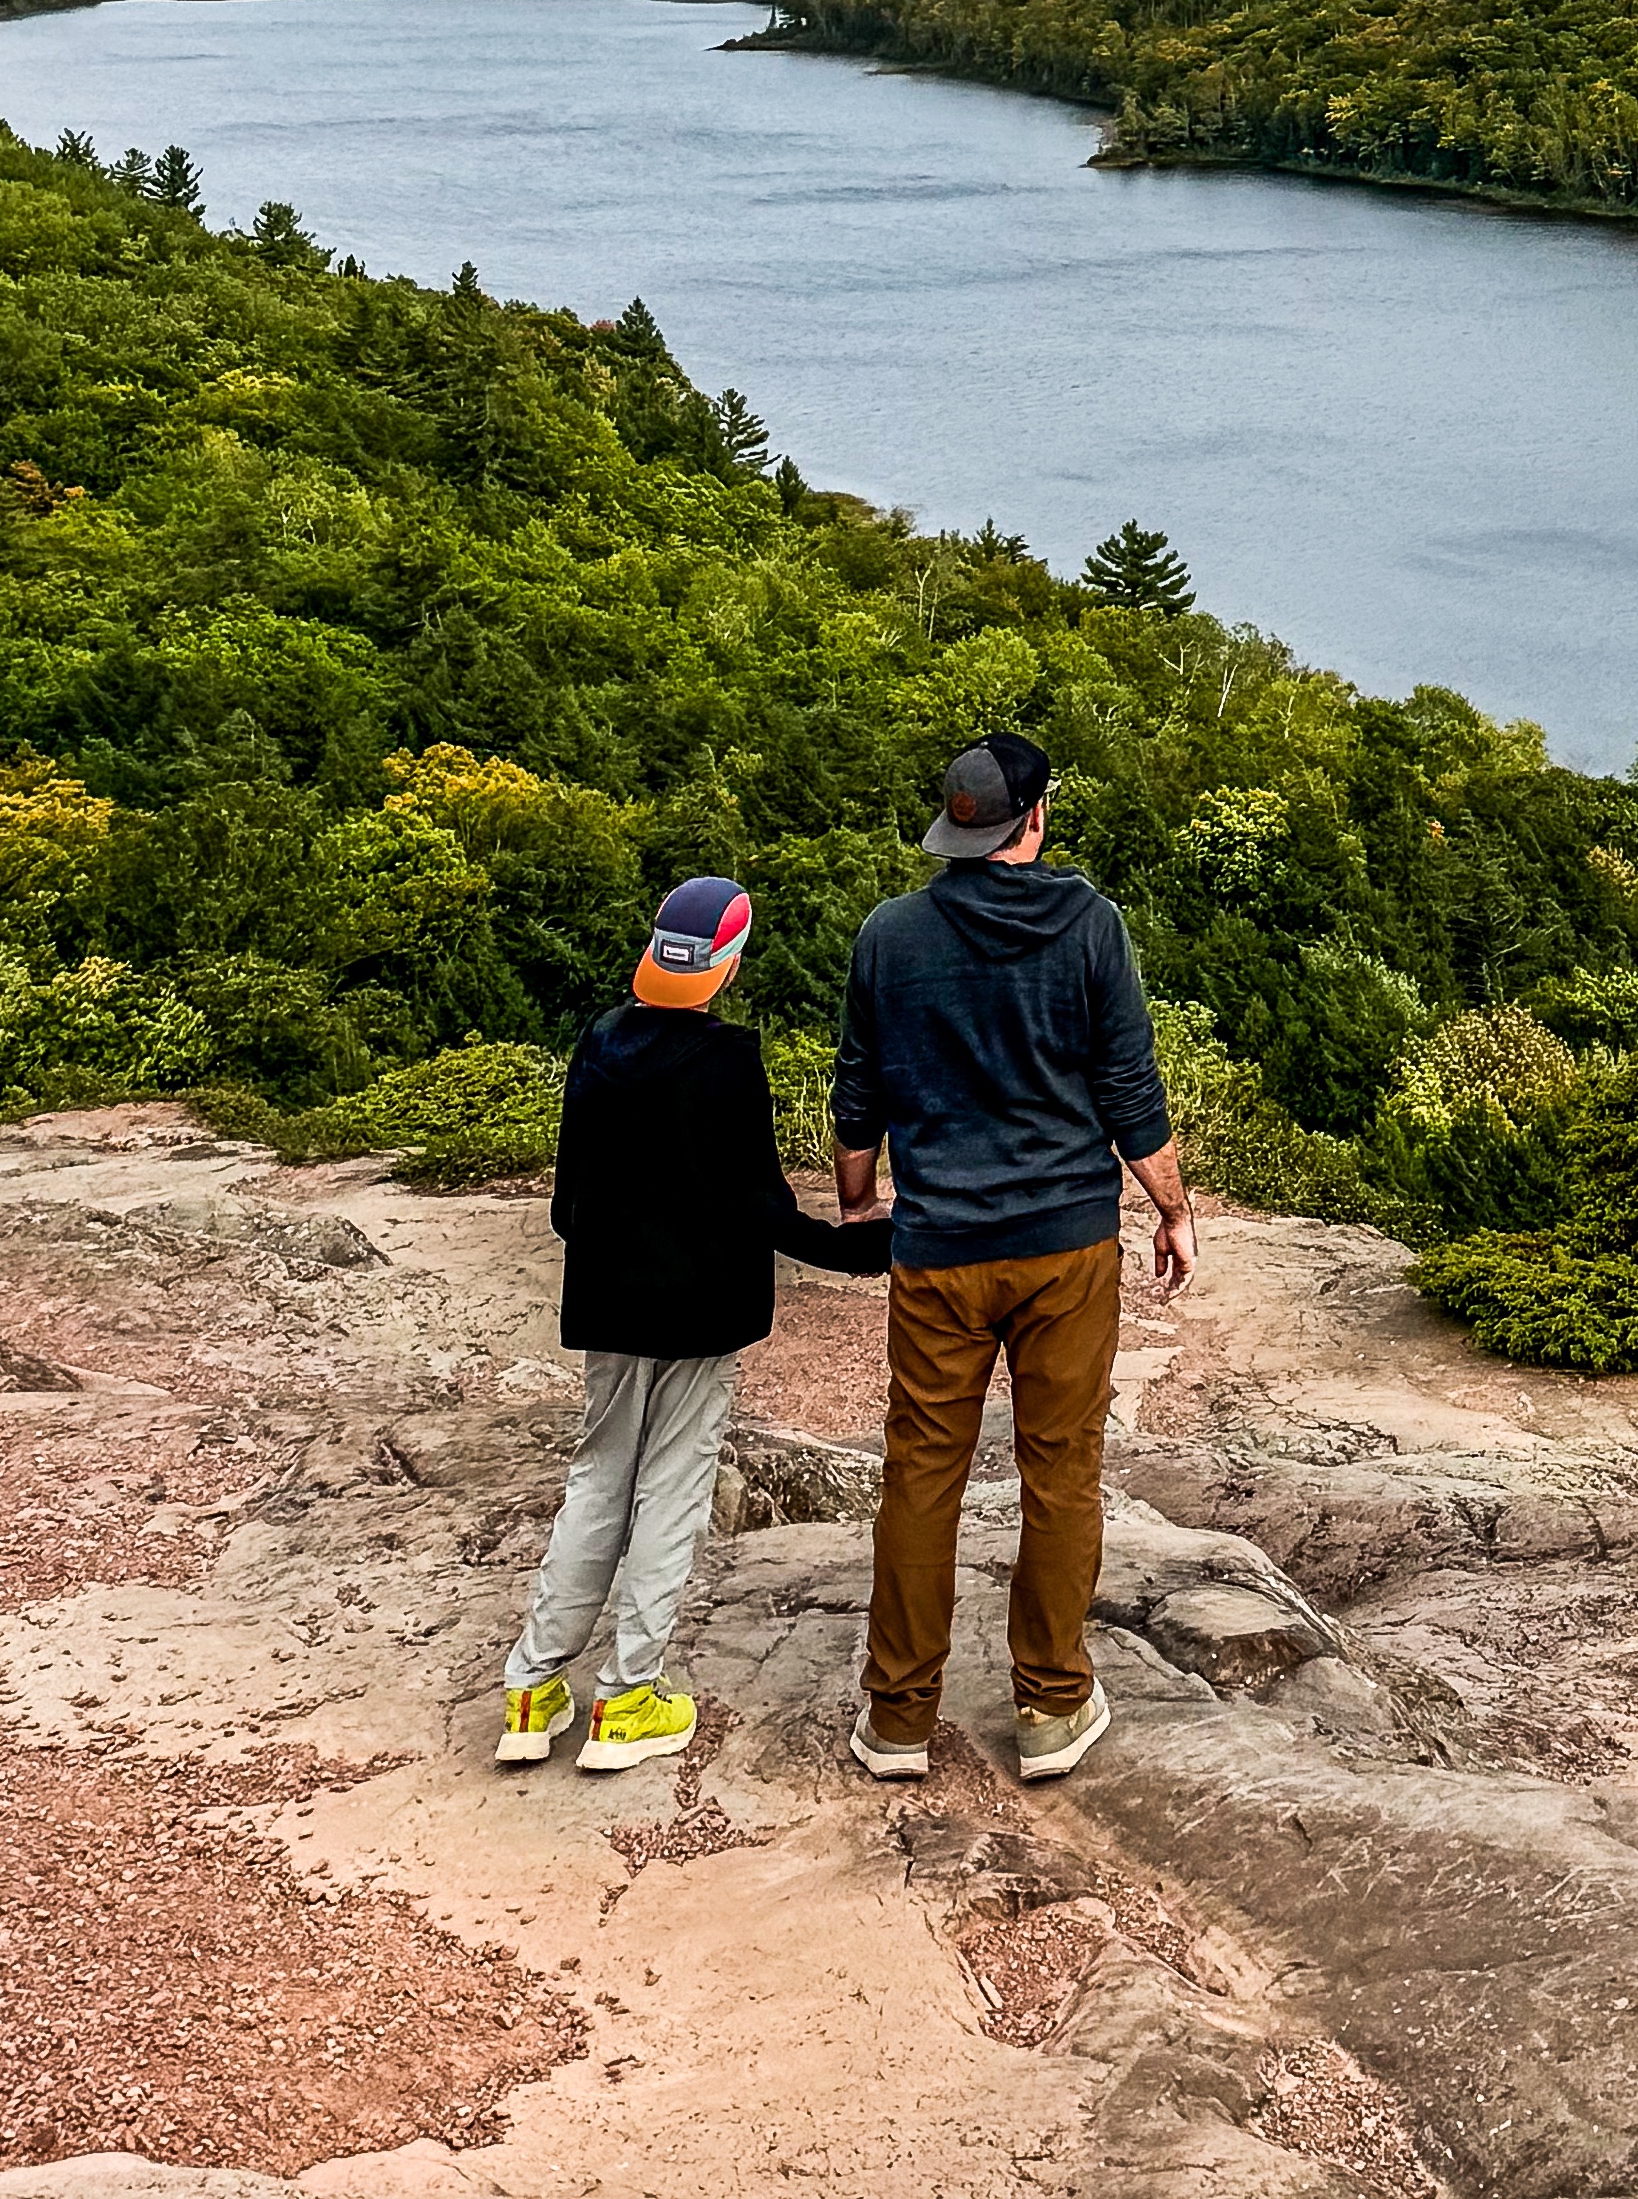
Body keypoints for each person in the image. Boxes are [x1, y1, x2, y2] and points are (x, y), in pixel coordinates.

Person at [829, 729, 1196, 1784]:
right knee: (1061, 1470)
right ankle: (1049, 1705)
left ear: (960, 825)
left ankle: (898, 1717)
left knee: (920, 1475)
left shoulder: (891, 935)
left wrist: (859, 1201)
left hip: (939, 1249)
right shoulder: (1091, 927)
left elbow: (859, 1095)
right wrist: (1170, 1210)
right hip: (1064, 1246)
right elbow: (1130, 1092)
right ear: (1037, 816)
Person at [494, 870, 894, 1771]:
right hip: (698, 1316)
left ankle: (532, 1690)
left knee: (598, 1481)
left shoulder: (597, 1043)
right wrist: (872, 1248)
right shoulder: (724, 1061)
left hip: (608, 1308)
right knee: (670, 1493)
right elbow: (763, 1209)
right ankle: (629, 1699)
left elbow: (568, 1206)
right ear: (729, 964)